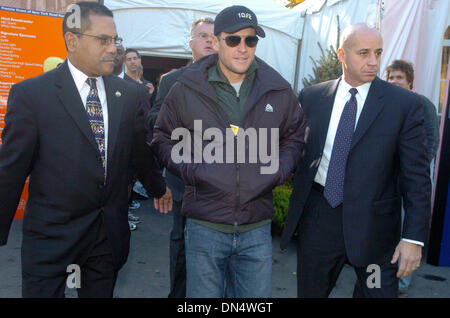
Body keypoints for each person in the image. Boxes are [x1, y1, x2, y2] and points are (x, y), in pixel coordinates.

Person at [0, 1, 172, 298]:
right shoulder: (32, 95)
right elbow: (11, 170)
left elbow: (137, 152)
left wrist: (158, 187)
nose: (113, 49)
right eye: (103, 40)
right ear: (72, 40)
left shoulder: (128, 95)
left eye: (115, 40)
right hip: (51, 240)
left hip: (106, 237)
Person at [152, 5, 307, 298]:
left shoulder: (277, 87)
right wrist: (191, 170)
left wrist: (278, 170)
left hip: (257, 226)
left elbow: (295, 135)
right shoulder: (186, 87)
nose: (242, 48)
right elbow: (162, 136)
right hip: (204, 226)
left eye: (250, 40)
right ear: (218, 41)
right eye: (233, 40)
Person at [281, 23, 431, 298]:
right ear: (342, 55)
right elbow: (296, 153)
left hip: (375, 233)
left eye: (378, 53)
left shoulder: (403, 105)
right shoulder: (313, 97)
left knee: (375, 293)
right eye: (364, 53)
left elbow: (417, 178)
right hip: (320, 220)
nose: (373, 62)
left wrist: (412, 238)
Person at [149, 17, 215, 298]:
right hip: (184, 181)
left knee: (219, 250)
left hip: (223, 184)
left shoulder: (236, 80)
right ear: (191, 44)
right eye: (203, 36)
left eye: (215, 36)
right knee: (183, 244)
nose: (210, 41)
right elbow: (154, 121)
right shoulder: (173, 80)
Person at [385, 59, 440, 294]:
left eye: (399, 77)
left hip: (411, 178)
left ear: (410, 82)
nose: (394, 81)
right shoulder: (384, 104)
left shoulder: (423, 105)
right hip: (385, 176)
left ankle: (401, 282)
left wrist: (412, 171)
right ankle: (379, 274)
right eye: (391, 77)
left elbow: (431, 141)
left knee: (408, 227)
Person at [112, 43, 143, 230]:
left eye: (120, 53)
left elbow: (142, 128)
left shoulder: (136, 89)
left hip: (127, 158)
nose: (115, 55)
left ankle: (122, 219)